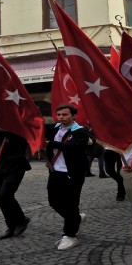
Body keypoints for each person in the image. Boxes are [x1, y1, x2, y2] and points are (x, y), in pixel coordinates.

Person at [45, 104, 91, 251]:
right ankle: (76, 219)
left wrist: (49, 143)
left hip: (73, 173)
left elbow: (73, 147)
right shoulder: (54, 128)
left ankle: (70, 235)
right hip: (55, 172)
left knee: (71, 204)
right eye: (59, 115)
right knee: (54, 201)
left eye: (65, 115)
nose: (61, 118)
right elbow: (34, 127)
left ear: (74, 116)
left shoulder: (81, 131)